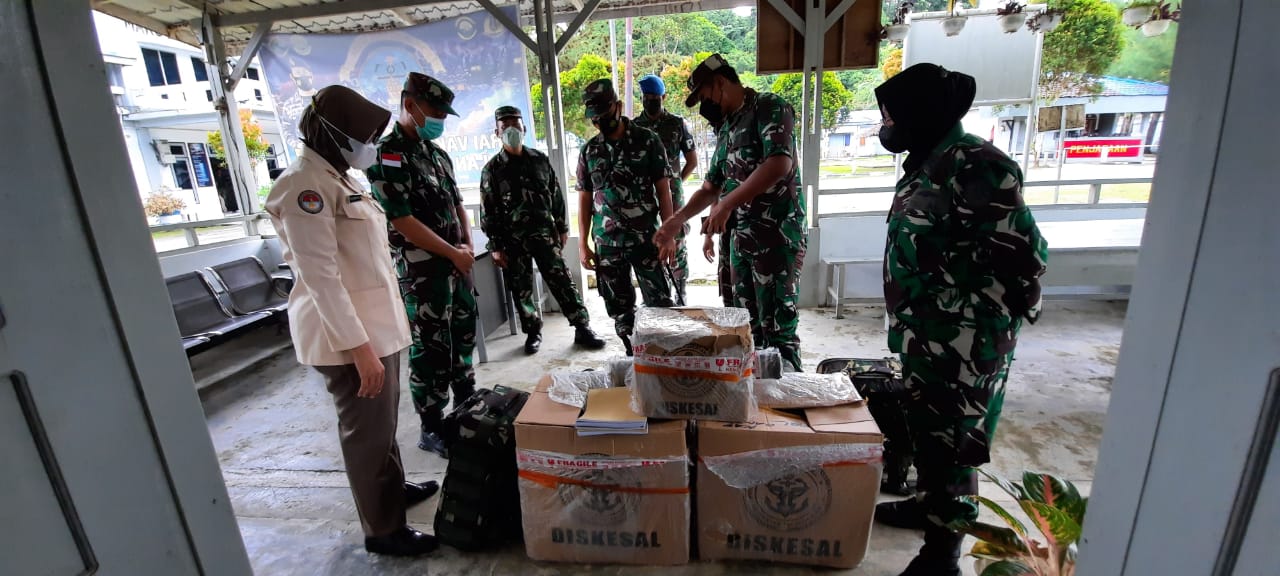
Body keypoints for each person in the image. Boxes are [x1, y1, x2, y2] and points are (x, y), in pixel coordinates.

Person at [872, 63, 1048, 576]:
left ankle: (942, 554)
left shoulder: (978, 166)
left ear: (920, 115)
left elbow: (1028, 258)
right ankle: (930, 507)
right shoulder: (930, 163)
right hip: (927, 335)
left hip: (965, 342)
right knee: (929, 431)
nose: (886, 126)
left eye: (891, 116)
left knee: (956, 441)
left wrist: (982, 327)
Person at [265, 85, 439, 557]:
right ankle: (384, 529)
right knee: (366, 434)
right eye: (363, 137)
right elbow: (320, 277)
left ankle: (392, 490)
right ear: (332, 135)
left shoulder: (339, 178)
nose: (371, 145)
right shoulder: (306, 186)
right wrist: (360, 350)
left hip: (375, 331)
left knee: (381, 425)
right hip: (349, 339)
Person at [655, 53, 807, 371]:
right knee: (743, 330)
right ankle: (754, 402)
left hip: (774, 239)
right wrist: (675, 220)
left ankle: (787, 405)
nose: (704, 106)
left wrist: (726, 204)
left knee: (778, 333)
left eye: (705, 96)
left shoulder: (769, 107)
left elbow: (779, 163)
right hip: (740, 244)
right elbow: (711, 186)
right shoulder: (728, 127)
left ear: (721, 83)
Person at [365, 72, 475, 459]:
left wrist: (467, 243)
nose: (440, 120)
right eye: (435, 111)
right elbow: (402, 220)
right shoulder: (387, 154)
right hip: (422, 273)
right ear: (409, 105)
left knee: (462, 335)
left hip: (455, 265)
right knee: (431, 350)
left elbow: (457, 202)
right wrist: (452, 252)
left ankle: (466, 407)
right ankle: (432, 425)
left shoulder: (437, 155)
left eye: (445, 113)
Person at [479, 105, 607, 355]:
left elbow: (556, 195)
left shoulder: (539, 160)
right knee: (522, 287)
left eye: (515, 125)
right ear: (497, 132)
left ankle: (582, 327)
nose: (511, 130)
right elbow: (489, 211)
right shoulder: (491, 170)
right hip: (513, 240)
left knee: (562, 280)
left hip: (545, 235)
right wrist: (495, 246)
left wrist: (562, 227)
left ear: (524, 128)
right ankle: (533, 332)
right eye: (505, 127)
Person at [576, 78, 677, 354]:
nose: (599, 120)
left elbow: (664, 191)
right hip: (607, 244)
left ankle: (662, 358)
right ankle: (634, 356)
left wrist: (669, 234)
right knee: (620, 311)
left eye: (604, 113)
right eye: (594, 116)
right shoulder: (589, 151)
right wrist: (582, 244)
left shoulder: (647, 140)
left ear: (618, 106)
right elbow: (584, 200)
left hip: (647, 240)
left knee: (660, 304)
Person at [633, 74, 698, 306]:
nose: (650, 101)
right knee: (649, 239)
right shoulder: (634, 127)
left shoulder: (677, 123)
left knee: (677, 238)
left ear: (664, 97)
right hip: (645, 195)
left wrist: (676, 181)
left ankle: (680, 290)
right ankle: (654, 292)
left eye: (654, 97)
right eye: (646, 97)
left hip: (673, 192)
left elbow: (692, 160)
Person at [694, 101, 735, 308]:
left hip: (761, 236)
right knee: (731, 299)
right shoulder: (722, 143)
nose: (717, 128)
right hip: (730, 234)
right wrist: (709, 236)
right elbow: (714, 193)